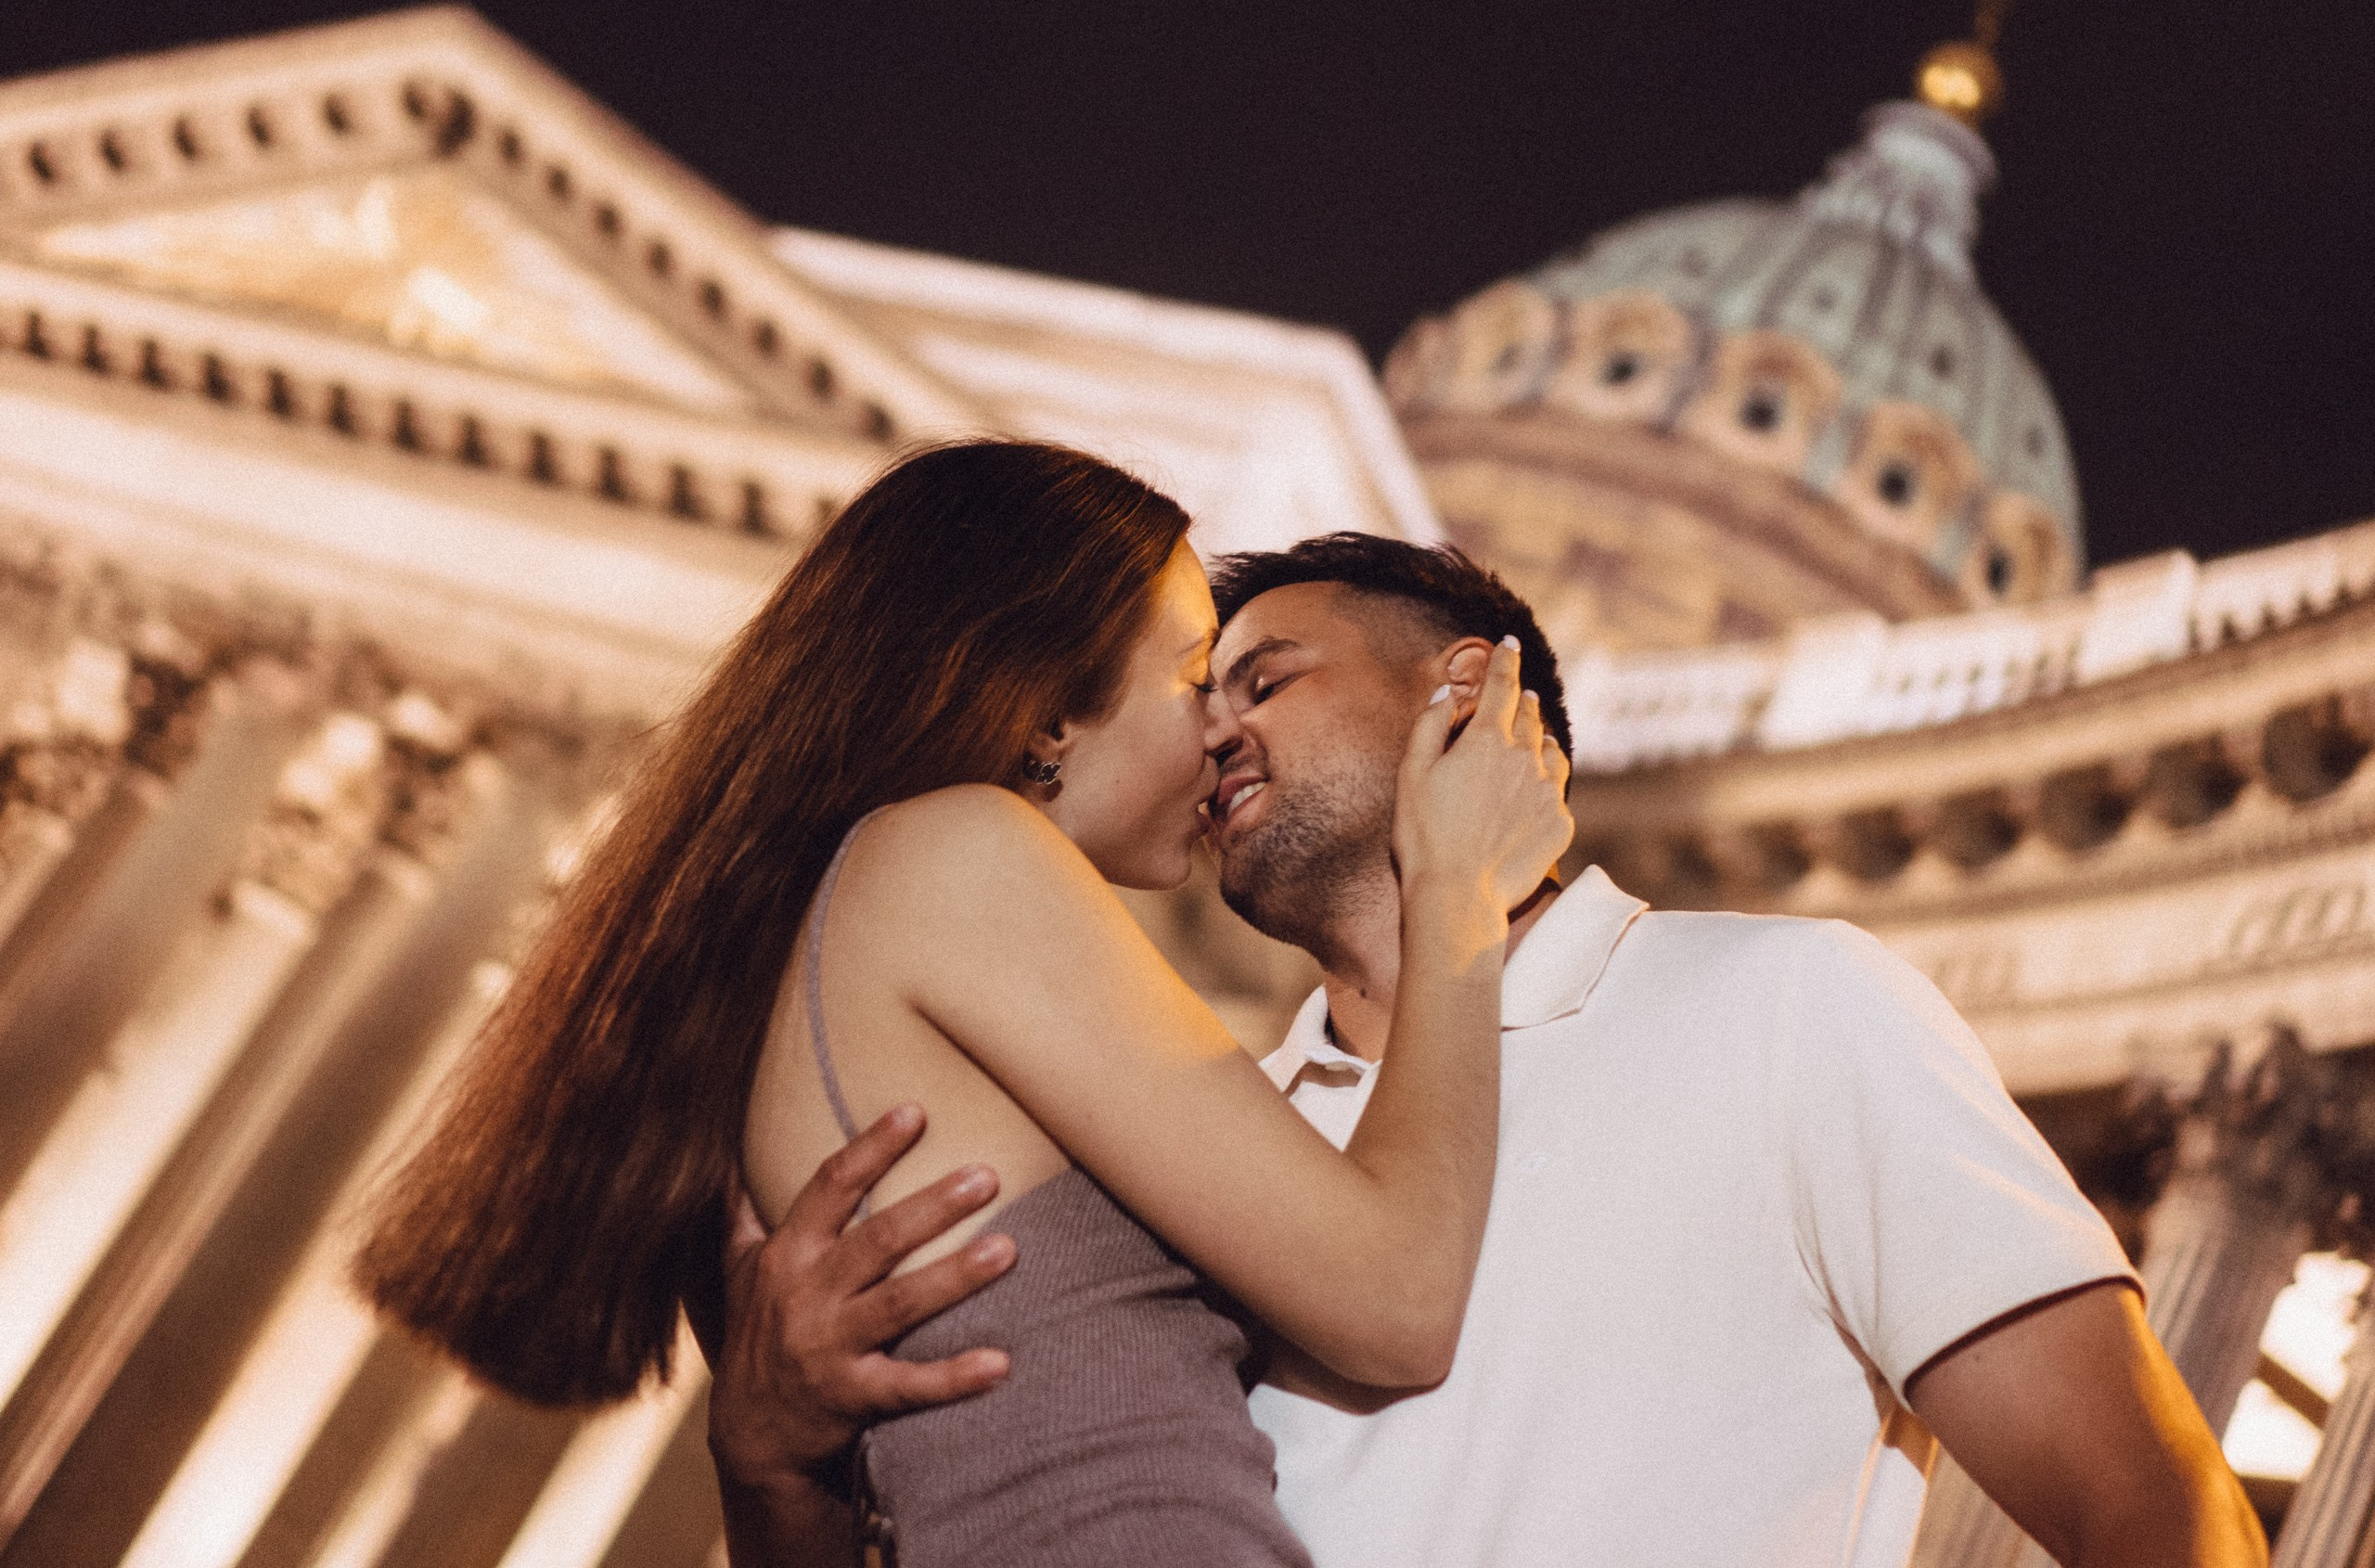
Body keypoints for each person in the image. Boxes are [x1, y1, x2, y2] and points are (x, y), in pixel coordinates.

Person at [711, 533, 2267, 1568]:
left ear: (1470, 693)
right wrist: (774, 1464)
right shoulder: (1194, 1145)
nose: (1215, 734)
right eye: (1200, 697)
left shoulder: (1789, 1010)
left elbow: (2155, 1517)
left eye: (1266, 679)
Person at [352, 444, 1573, 1568]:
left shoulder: (814, 953)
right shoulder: (958, 857)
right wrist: (1455, 895)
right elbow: (1400, 1306)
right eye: (1199, 675)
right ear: (1046, 714)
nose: (1224, 732)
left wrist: (767, 1466)